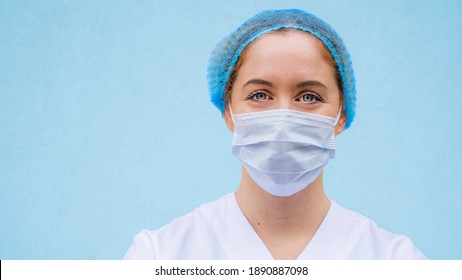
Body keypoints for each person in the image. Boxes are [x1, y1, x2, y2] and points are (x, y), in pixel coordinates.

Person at [124, 9, 426, 260]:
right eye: (259, 95)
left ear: (341, 114)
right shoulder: (160, 255)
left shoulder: (396, 260)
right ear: (229, 111)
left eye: (309, 97)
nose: (283, 118)